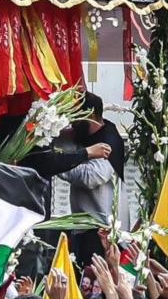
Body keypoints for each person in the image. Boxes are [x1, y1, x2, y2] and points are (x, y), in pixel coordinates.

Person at [58, 92, 124, 266]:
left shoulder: (110, 139)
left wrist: (57, 164)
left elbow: (91, 176)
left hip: (100, 230)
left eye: (76, 119)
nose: (72, 125)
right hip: (82, 227)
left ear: (91, 115)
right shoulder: (79, 136)